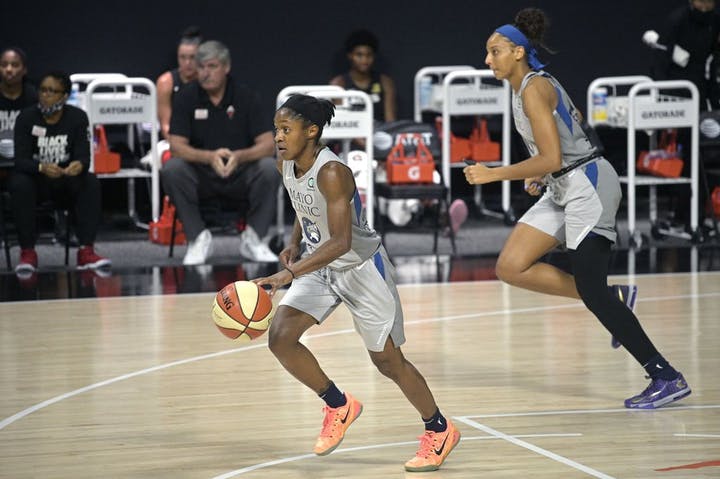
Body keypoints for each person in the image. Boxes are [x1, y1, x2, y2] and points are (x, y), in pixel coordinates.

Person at [464, 8, 691, 409]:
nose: (487, 59)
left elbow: (553, 156)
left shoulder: (534, 88)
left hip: (589, 185)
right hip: (564, 184)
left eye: (494, 51)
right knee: (511, 266)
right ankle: (616, 294)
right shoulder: (526, 89)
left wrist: (494, 174)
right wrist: (539, 174)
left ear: (518, 52)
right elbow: (566, 138)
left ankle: (665, 375)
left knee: (592, 291)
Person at [253, 94, 461, 472]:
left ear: (312, 131)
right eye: (276, 129)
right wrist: (295, 242)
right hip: (320, 265)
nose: (278, 137)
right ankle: (338, 404)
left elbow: (341, 242)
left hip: (361, 267)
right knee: (280, 336)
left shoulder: (334, 172)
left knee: (387, 361)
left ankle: (439, 429)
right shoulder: (287, 164)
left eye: (286, 129)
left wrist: (290, 272)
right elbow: (304, 204)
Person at [161, 40, 280, 265]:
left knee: (269, 167)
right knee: (172, 168)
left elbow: (268, 145)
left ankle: (254, 239)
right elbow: (176, 146)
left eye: (212, 66)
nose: (205, 73)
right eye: (201, 67)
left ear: (226, 67)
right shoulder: (186, 97)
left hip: (239, 173)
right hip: (201, 175)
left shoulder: (245, 96)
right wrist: (209, 156)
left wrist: (239, 156)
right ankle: (197, 239)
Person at [9, 70, 111, 273]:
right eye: (43, 90)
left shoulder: (78, 118)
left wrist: (78, 166)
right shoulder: (26, 118)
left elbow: (84, 156)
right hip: (37, 181)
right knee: (19, 183)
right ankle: (28, 252)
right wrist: (41, 167)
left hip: (65, 180)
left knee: (89, 181)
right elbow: (20, 160)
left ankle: (86, 250)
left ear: (64, 96)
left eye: (52, 91)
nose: (45, 95)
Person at [642, 0, 720, 231]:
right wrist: (664, 97)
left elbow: (713, 60)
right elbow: (661, 61)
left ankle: (693, 215)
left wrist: (712, 99)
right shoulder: (677, 20)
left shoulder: (716, 21)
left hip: (704, 99)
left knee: (700, 159)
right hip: (678, 98)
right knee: (684, 158)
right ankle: (682, 216)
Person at [330, 29, 397, 123]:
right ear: (350, 56)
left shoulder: (385, 82)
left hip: (379, 133)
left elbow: (390, 120)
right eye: (359, 55)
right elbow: (341, 122)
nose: (365, 60)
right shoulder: (339, 83)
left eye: (369, 55)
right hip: (350, 133)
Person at [156, 26, 203, 141]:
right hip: (173, 142)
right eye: (182, 57)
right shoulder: (166, 82)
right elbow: (166, 126)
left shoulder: (210, 81)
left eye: (192, 57)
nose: (187, 63)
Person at [0, 47, 37, 162]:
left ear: (24, 69)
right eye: (4, 65)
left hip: (26, 160)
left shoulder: (34, 97)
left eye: (15, 65)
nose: (9, 69)